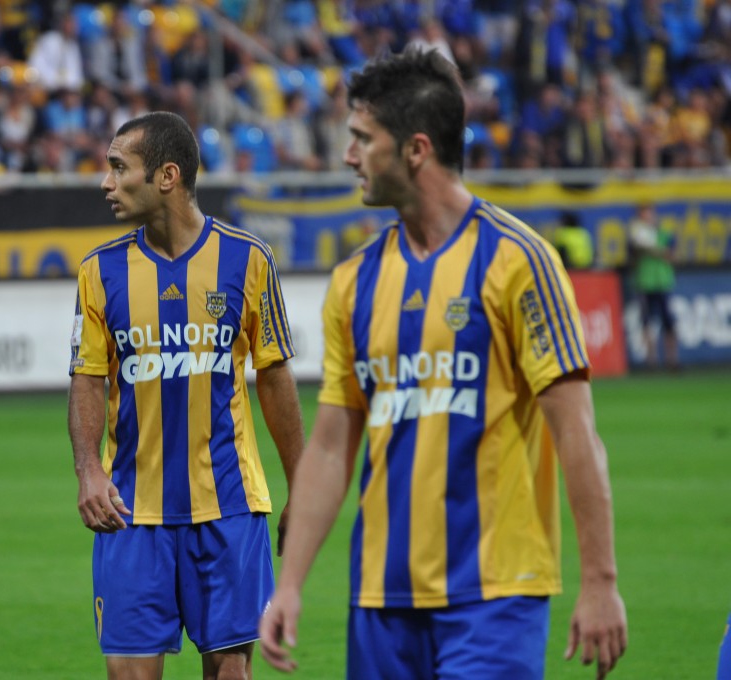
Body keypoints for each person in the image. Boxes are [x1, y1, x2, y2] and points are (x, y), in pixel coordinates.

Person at [259, 47, 627, 679]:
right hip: (380, 598)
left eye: (362, 138)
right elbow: (330, 446)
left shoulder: (518, 261)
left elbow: (577, 433)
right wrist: (289, 584)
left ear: (416, 149)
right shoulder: (355, 280)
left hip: (495, 593)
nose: (348, 156)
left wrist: (600, 581)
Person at [68, 111, 305, 680]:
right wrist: (88, 471)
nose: (106, 183)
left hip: (228, 507)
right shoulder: (100, 271)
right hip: (129, 511)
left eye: (119, 168)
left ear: (167, 176)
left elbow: (274, 377)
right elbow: (88, 378)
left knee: (229, 673)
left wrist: (302, 487)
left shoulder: (248, 259)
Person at [628, 202, 679, 370]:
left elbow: (672, 256)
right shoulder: (635, 236)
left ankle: (672, 360)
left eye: (648, 214)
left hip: (663, 282)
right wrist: (638, 245)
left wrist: (651, 247)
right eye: (642, 215)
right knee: (647, 323)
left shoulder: (664, 234)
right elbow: (631, 259)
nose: (646, 218)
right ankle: (651, 361)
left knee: (669, 322)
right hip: (645, 283)